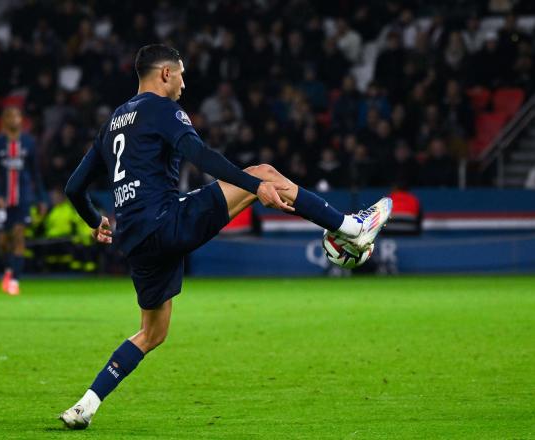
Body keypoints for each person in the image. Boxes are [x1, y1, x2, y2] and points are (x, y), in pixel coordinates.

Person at [59, 44, 393, 429]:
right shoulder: (162, 110)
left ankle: (87, 404)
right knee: (266, 173)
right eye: (181, 73)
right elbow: (202, 157)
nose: (184, 82)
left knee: (152, 334)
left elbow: (74, 187)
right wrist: (255, 186)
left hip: (134, 241)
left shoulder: (112, 122)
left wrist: (94, 219)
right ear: (165, 73)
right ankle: (353, 228)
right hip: (167, 222)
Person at [0, 106, 47, 295]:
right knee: (3, 242)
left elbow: (36, 173)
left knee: (19, 235)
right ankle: (8, 269)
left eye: (16, 115)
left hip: (23, 198)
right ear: (4, 120)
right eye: (9, 116)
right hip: (3, 200)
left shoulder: (29, 143)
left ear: (21, 119)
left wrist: (41, 199)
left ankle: (14, 280)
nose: (13, 119)